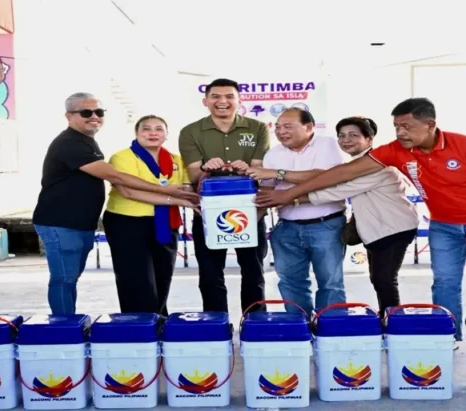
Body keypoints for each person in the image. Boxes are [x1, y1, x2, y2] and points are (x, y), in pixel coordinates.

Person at [255, 98, 466, 340]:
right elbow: (340, 175)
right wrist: (289, 194)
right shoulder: (394, 151)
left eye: (407, 126)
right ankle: (448, 336)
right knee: (445, 283)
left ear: (430, 125)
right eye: (396, 127)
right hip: (443, 225)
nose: (400, 133)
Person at [33, 93, 199, 315]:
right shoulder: (71, 143)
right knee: (66, 279)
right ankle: (65, 328)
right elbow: (119, 180)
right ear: (69, 116)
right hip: (64, 222)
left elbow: (187, 185)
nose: (94, 116)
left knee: (158, 278)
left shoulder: (86, 141)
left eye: (99, 112)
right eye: (86, 112)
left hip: (83, 222)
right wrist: (168, 193)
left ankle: (156, 322)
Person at [250, 116, 419, 315]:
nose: (346, 140)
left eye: (353, 135)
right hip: (376, 230)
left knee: (381, 279)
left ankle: (391, 322)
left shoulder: (377, 166)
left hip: (392, 228)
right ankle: (387, 318)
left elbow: (337, 190)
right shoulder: (353, 164)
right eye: (342, 136)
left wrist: (289, 197)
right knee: (379, 279)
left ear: (369, 139)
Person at [178, 78, 270, 313]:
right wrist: (206, 168)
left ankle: (254, 323)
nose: (223, 101)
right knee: (210, 273)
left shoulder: (258, 128)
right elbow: (195, 175)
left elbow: (259, 171)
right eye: (216, 96)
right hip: (208, 212)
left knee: (253, 271)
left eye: (229, 96)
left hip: (250, 210)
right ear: (205, 101)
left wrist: (247, 169)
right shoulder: (190, 132)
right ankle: (216, 324)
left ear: (239, 100)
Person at [244, 108, 346, 318]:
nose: (281, 131)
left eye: (288, 126)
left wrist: (278, 173)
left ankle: (332, 327)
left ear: (308, 127)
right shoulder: (273, 154)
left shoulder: (327, 144)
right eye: (278, 127)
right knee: (290, 282)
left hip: (326, 225)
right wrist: (244, 225)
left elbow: (326, 177)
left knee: (330, 282)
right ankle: (299, 325)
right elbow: (267, 193)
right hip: (287, 227)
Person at [103, 115, 198, 315]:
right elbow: (129, 192)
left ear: (166, 134)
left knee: (162, 275)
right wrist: (174, 198)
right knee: (136, 278)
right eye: (146, 129)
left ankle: (159, 320)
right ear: (137, 133)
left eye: (159, 129)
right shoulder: (122, 157)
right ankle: (139, 323)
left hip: (166, 223)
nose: (153, 133)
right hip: (128, 222)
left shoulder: (176, 160)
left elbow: (186, 188)